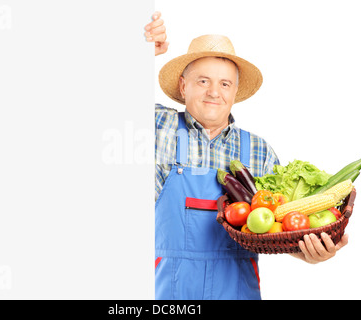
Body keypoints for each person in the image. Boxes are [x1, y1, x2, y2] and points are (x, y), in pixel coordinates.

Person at [145, 12, 348, 300]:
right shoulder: (159, 127)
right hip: (170, 293)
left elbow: (281, 229)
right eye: (203, 81)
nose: (214, 92)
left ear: (235, 91)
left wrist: (309, 254)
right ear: (182, 86)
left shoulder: (258, 151)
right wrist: (138, 55)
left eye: (225, 84)